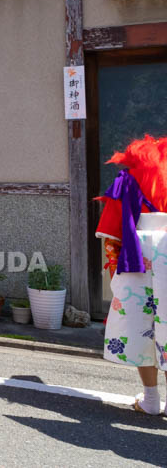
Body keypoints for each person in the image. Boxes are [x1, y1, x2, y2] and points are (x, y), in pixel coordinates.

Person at [96, 135, 167, 415]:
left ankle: (150, 400)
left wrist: (115, 272)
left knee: (141, 326)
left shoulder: (128, 180)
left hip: (138, 256)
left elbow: (111, 234)